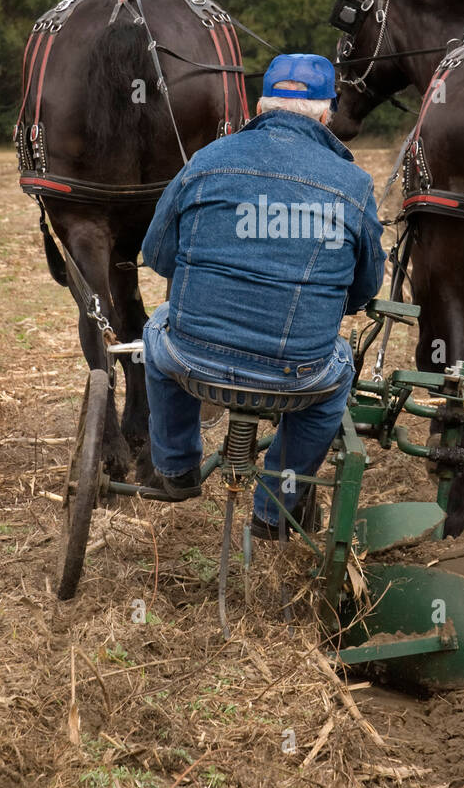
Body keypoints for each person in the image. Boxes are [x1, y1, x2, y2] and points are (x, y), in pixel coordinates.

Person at [138, 52, 385, 537]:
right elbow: (363, 291)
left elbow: (158, 255)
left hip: (192, 363)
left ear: (260, 104)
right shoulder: (354, 185)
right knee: (333, 383)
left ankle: (177, 469)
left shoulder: (205, 161)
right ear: (327, 112)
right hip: (296, 378)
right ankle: (273, 511)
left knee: (156, 334)